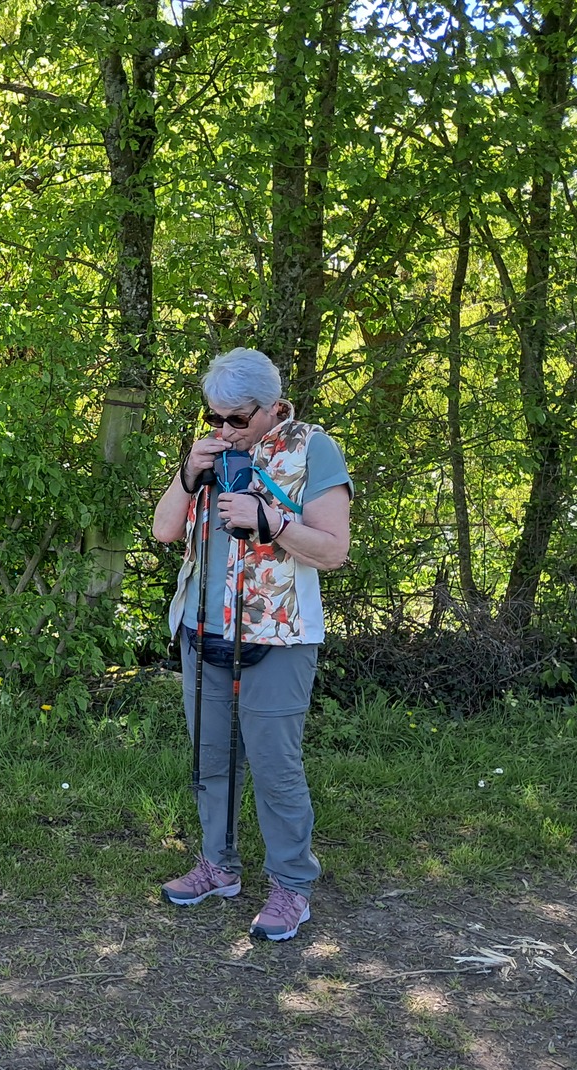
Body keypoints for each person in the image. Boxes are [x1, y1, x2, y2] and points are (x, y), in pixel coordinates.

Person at [151, 347, 352, 942]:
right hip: (203, 628)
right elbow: (164, 531)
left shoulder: (312, 448)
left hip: (278, 636)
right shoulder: (210, 452)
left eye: (237, 418)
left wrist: (273, 523)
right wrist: (188, 474)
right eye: (213, 417)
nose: (224, 429)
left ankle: (291, 885)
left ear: (275, 407)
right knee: (211, 759)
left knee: (274, 766)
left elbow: (333, 550)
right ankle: (219, 866)